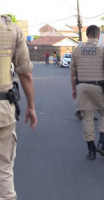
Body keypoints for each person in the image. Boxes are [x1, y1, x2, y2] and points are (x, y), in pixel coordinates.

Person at [70, 25, 104, 160]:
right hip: (99, 86)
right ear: (98, 35)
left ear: (87, 35)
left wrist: (73, 89)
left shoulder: (76, 50)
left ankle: (91, 151)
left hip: (82, 87)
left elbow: (73, 74)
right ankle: (102, 143)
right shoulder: (103, 49)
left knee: (87, 119)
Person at [0, 15, 38, 200]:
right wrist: (31, 106)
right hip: (2, 109)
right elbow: (25, 74)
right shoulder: (11, 30)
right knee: (4, 167)